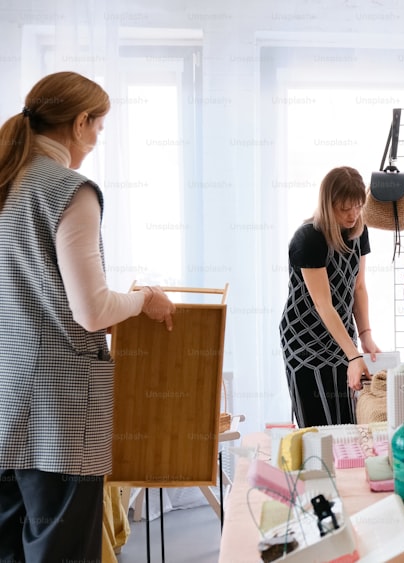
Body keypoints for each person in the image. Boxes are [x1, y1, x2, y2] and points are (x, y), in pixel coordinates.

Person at [0, 71, 176, 562]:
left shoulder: (6, 180)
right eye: (99, 128)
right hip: (57, 411)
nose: (97, 141)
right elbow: (92, 311)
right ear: (80, 123)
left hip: (6, 401)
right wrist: (143, 298)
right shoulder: (70, 190)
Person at [280, 166, 381, 427]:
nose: (353, 214)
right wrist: (354, 355)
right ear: (328, 204)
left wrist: (365, 335)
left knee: (345, 420)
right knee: (317, 426)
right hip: (304, 338)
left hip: (340, 333)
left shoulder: (360, 230)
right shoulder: (309, 238)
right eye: (344, 208)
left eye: (358, 206)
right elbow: (323, 305)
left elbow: (358, 287)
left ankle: (345, 468)